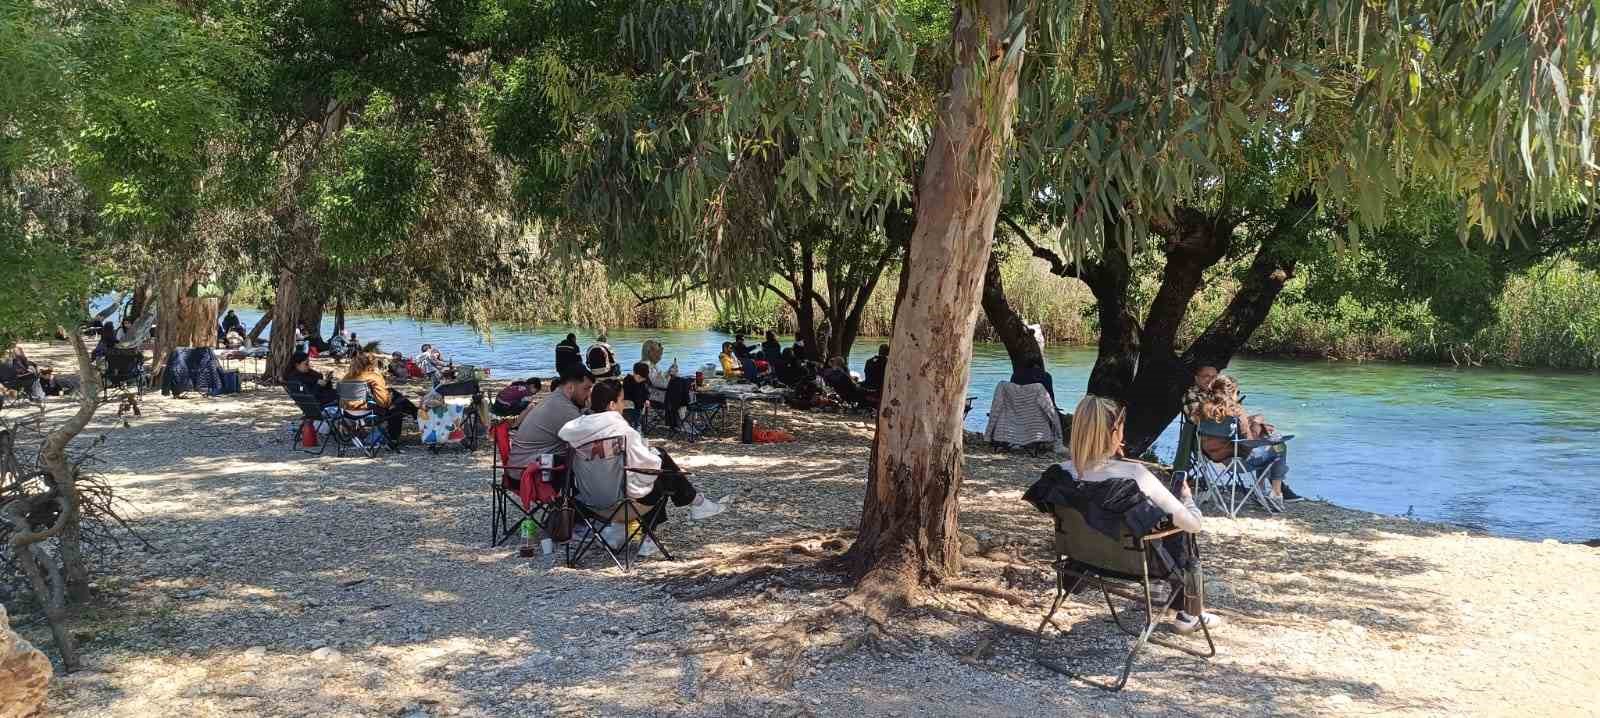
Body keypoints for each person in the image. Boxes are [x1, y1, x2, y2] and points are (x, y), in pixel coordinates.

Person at [1066, 395, 1218, 634]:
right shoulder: (1134, 474)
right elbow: (1194, 524)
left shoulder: (1061, 474)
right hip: (1135, 566)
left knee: (1149, 522)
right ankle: (1188, 613)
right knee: (1179, 530)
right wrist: (1187, 498)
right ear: (1115, 430)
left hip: (1083, 561)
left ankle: (1161, 593)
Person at [558, 380, 727, 556]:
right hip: (621, 504)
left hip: (588, 502)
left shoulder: (575, 432)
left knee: (651, 471)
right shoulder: (622, 431)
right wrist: (653, 454)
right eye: (622, 400)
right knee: (660, 472)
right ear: (611, 405)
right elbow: (647, 465)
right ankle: (662, 528)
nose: (624, 405)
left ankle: (619, 531)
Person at [1193, 375, 1299, 503]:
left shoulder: (1202, 409)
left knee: (1266, 445)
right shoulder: (1236, 411)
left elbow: (1224, 430)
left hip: (1216, 458)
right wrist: (1256, 424)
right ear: (1232, 392)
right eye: (1237, 392)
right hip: (1239, 462)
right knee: (1279, 446)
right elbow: (1249, 442)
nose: (1237, 395)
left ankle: (1260, 490)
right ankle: (1276, 492)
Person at [509, 367, 594, 470]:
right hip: (529, 473)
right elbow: (590, 437)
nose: (589, 394)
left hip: (522, 465)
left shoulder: (556, 398)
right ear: (570, 387)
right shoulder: (562, 407)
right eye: (586, 388)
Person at [342, 351, 418, 445]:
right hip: (362, 413)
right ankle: (393, 440)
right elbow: (383, 402)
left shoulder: (347, 376)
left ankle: (416, 414)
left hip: (345, 412)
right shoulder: (372, 376)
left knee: (396, 397)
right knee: (396, 409)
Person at [622, 362, 652, 427]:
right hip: (629, 405)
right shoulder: (627, 380)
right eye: (639, 377)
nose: (640, 380)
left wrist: (647, 399)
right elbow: (625, 394)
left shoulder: (646, 381)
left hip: (639, 405)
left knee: (637, 420)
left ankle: (637, 428)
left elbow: (647, 392)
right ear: (634, 373)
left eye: (642, 378)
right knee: (629, 419)